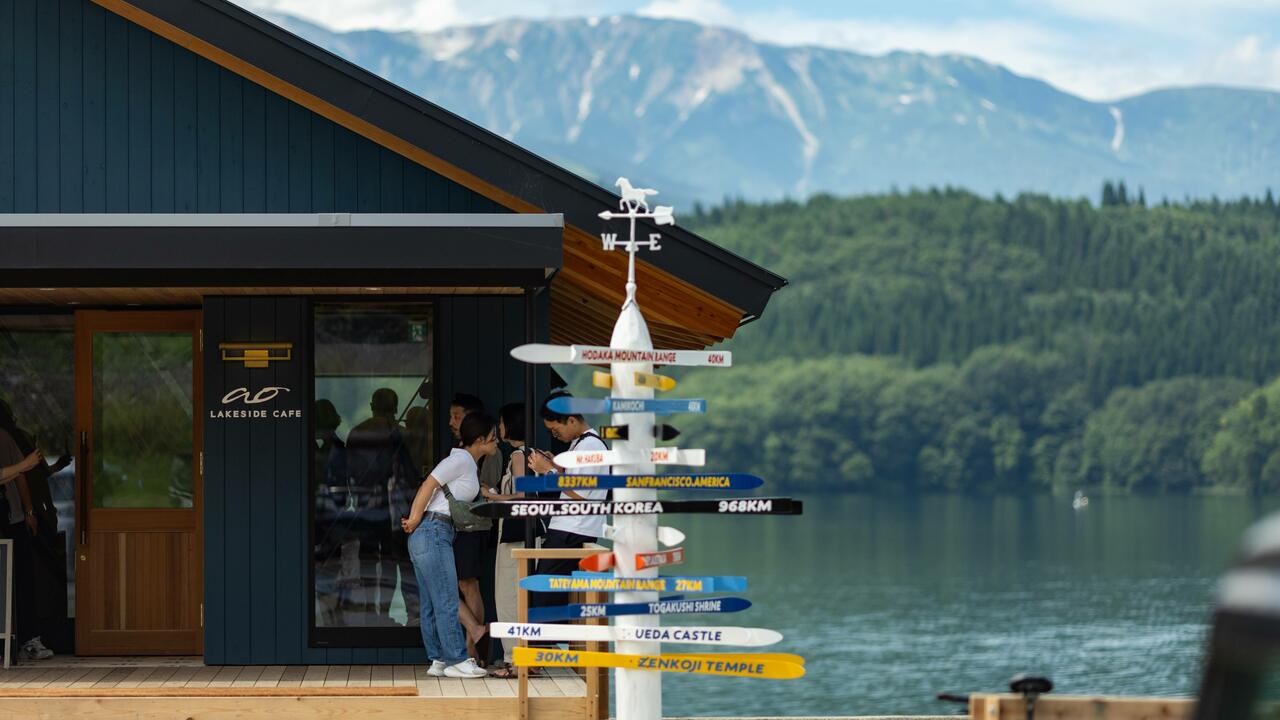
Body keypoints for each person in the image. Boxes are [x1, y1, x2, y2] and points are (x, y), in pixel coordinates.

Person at [401, 412, 497, 679]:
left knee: (432, 601)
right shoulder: (461, 459)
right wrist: (415, 518)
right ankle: (457, 658)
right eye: (493, 439)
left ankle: (439, 660)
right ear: (480, 440)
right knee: (445, 597)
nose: (496, 443)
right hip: (433, 530)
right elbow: (429, 484)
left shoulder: (467, 463)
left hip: (431, 533)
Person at [526, 391, 609, 610]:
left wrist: (548, 472)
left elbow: (580, 492)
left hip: (572, 531)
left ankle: (545, 642)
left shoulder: (590, 446)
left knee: (544, 596)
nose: (555, 435)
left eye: (555, 430)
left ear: (571, 420)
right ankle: (551, 642)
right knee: (551, 594)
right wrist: (555, 466)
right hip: (571, 529)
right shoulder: (582, 444)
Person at [479, 403, 543, 678]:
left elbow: (522, 495)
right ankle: (527, 658)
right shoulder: (536, 454)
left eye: (502, 423)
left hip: (516, 536)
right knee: (523, 598)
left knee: (508, 597)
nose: (499, 428)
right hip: (531, 534)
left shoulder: (518, 455)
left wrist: (492, 496)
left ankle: (515, 662)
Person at [346, 388, 419, 626]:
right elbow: (411, 473)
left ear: (371, 405)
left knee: (369, 565)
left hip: (366, 508)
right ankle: (410, 615)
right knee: (399, 566)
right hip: (397, 510)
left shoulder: (357, 433)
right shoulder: (401, 433)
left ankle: (373, 612)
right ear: (396, 408)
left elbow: (350, 473)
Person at [0, 422, 45, 662]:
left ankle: (27, 639)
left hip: (11, 518)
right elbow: (18, 472)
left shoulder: (4, 437)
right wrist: (23, 465)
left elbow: (19, 477)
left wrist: (29, 512)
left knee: (21, 577)